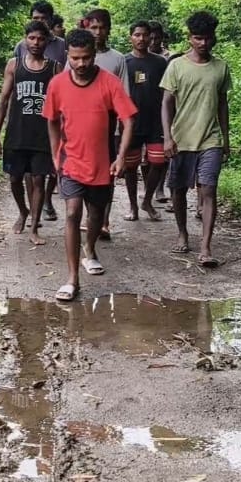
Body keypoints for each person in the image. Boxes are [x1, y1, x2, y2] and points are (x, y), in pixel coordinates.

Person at [43, 29, 137, 302]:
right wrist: (54, 153)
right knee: (72, 213)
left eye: (86, 58)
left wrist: (120, 156)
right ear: (67, 56)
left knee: (95, 216)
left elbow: (128, 119)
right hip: (70, 161)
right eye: (75, 58)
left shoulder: (109, 83)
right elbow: (51, 120)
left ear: (94, 55)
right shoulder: (57, 84)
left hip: (102, 164)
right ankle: (72, 279)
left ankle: (90, 248)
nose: (81, 64)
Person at [161, 11, 231, 268]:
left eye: (208, 38)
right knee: (177, 190)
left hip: (210, 139)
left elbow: (223, 105)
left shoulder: (221, 67)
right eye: (198, 38)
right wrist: (167, 137)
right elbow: (166, 103)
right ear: (189, 38)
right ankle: (182, 232)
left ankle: (206, 246)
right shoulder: (176, 66)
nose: (203, 43)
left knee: (209, 189)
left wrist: (225, 137)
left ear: (214, 38)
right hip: (181, 139)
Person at [0, 21, 62, 244]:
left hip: (42, 135)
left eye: (41, 39)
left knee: (39, 180)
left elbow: (62, 105)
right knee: (14, 179)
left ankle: (34, 227)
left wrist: (62, 138)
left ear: (47, 41)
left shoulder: (54, 68)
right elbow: (3, 100)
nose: (36, 43)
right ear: (25, 39)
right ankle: (23, 211)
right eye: (31, 38)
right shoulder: (14, 65)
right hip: (17, 133)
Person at [80, 8, 130, 241]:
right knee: (83, 174)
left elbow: (124, 98)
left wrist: (121, 131)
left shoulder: (118, 59)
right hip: (82, 128)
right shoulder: (77, 56)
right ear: (86, 28)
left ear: (109, 29)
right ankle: (92, 217)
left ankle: (104, 220)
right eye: (93, 27)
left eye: (102, 28)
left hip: (110, 129)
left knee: (107, 176)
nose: (98, 32)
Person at [123, 21, 170, 221]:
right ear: (130, 37)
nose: (141, 39)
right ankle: (133, 206)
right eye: (137, 35)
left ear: (151, 37)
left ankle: (147, 200)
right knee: (131, 167)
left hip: (156, 120)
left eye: (145, 35)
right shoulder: (124, 62)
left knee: (158, 162)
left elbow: (166, 93)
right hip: (131, 122)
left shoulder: (160, 62)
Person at [25, 0, 69, 65]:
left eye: (44, 18)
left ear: (51, 20)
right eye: (36, 18)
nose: (40, 21)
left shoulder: (63, 45)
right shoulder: (21, 46)